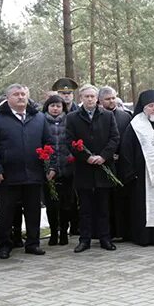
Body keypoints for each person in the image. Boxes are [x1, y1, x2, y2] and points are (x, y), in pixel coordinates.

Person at [0, 83, 54, 259]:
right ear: (8, 98)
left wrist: (51, 166)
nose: (21, 97)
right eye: (16, 94)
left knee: (33, 211)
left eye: (23, 94)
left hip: (34, 173)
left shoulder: (39, 118)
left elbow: (49, 143)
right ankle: (4, 245)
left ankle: (33, 243)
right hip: (7, 175)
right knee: (6, 212)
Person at [66, 84, 120, 252]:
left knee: (104, 207)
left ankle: (105, 238)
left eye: (92, 96)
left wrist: (103, 156)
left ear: (97, 98)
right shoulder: (73, 117)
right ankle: (85, 240)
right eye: (86, 96)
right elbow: (70, 141)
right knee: (85, 208)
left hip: (104, 167)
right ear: (81, 98)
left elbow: (114, 138)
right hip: (84, 169)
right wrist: (86, 157)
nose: (89, 99)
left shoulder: (108, 116)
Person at [119, 90, 154, 246]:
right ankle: (144, 237)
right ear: (144, 108)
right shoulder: (135, 125)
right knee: (144, 206)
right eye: (151, 106)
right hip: (142, 176)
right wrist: (131, 173)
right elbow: (126, 150)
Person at [99, 86, 133, 241]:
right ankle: (108, 232)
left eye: (113, 98)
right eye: (108, 99)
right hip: (104, 164)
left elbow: (129, 139)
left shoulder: (125, 116)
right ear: (100, 101)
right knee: (106, 201)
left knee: (122, 199)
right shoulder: (97, 117)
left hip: (122, 164)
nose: (111, 101)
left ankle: (124, 231)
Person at [41, 94, 74, 246]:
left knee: (66, 204)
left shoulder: (69, 121)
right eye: (52, 106)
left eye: (58, 106)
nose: (55, 109)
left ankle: (64, 233)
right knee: (51, 204)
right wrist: (47, 166)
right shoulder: (41, 121)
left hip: (67, 168)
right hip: (49, 171)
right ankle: (54, 233)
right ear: (47, 107)